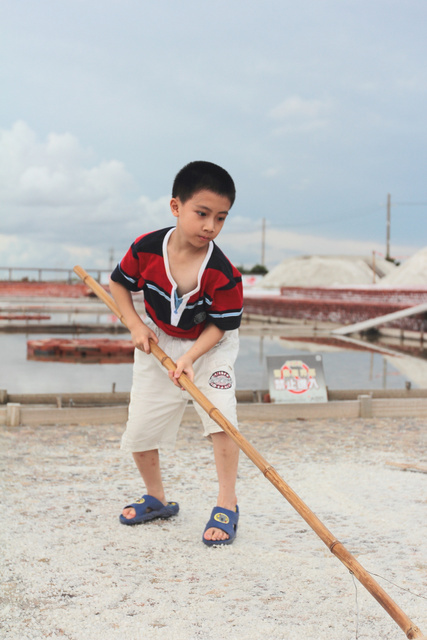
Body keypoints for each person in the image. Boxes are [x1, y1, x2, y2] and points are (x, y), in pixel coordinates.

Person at [109, 160, 243, 546]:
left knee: (222, 418)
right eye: (202, 214)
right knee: (141, 426)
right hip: (156, 340)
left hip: (211, 345)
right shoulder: (146, 248)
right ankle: (156, 497)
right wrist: (135, 326)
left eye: (220, 218)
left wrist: (192, 358)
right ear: (176, 207)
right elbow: (120, 285)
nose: (210, 226)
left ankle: (227, 503)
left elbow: (222, 325)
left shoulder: (223, 271)